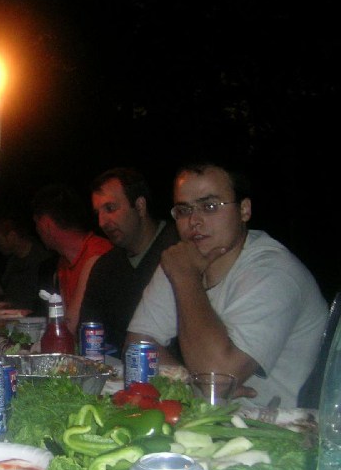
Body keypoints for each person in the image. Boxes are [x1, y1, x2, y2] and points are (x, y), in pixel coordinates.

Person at [126, 159, 328, 408]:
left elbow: (216, 382)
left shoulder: (275, 272)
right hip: (222, 420)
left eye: (209, 206)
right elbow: (138, 347)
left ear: (244, 210)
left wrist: (187, 278)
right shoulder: (183, 260)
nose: (194, 221)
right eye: (184, 210)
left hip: (285, 426)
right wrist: (190, 383)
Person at [79, 168, 180, 350]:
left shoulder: (180, 251)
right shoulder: (104, 268)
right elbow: (88, 336)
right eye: (98, 213)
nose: (102, 222)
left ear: (140, 206)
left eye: (110, 208)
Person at [32, 183, 113, 333]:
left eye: (36, 223)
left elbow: (70, 325)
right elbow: (63, 323)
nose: (36, 230)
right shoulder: (62, 263)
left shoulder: (99, 255)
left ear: (46, 224)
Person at [0, 211, 55, 315]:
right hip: (11, 316)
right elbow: (5, 287)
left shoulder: (41, 259)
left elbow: (37, 300)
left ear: (12, 236)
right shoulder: (14, 260)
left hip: (31, 318)